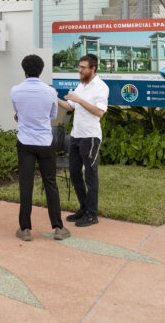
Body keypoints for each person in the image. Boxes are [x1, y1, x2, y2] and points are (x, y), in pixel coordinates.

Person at [11, 54, 69, 242]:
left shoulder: (15, 90)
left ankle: (25, 229)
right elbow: (52, 115)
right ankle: (58, 228)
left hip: (25, 143)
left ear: (24, 70)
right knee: (50, 183)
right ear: (41, 70)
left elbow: (18, 113)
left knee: (26, 185)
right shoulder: (50, 92)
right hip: (45, 142)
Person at [57, 53, 108, 228]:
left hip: (90, 136)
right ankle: (83, 208)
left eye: (83, 67)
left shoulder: (101, 87)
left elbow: (100, 112)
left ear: (93, 68)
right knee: (74, 173)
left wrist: (79, 99)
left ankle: (92, 214)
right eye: (79, 67)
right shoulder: (82, 85)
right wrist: (54, 98)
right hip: (76, 135)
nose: (80, 70)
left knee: (90, 175)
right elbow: (70, 106)